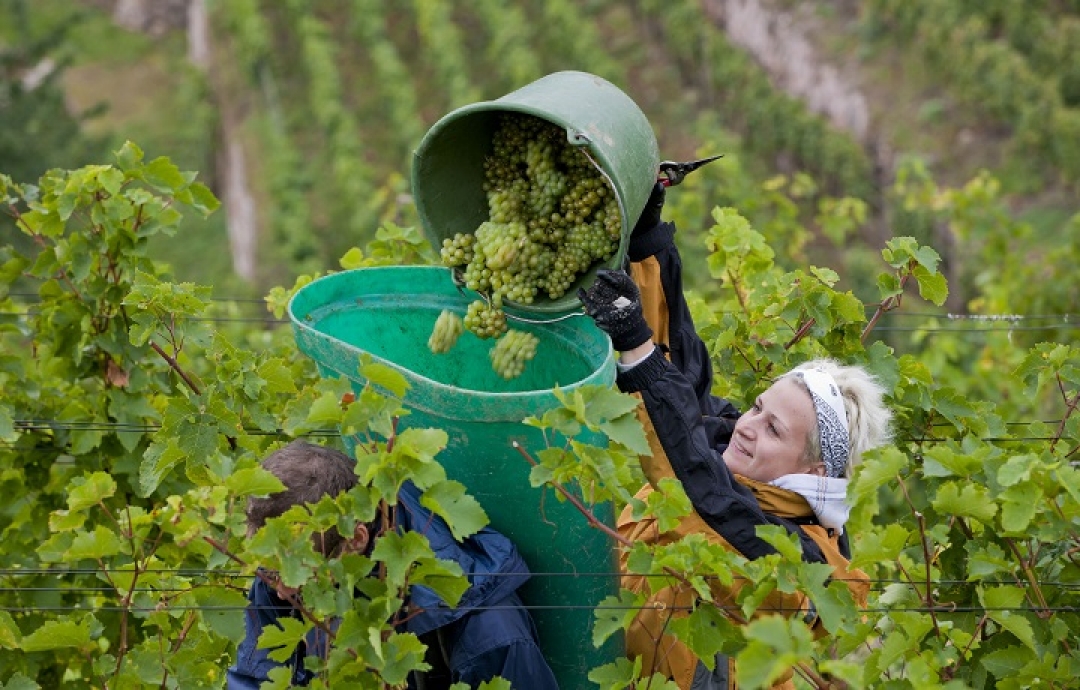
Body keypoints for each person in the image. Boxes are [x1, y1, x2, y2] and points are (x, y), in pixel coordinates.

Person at [578, 182, 894, 689]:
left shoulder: (804, 567)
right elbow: (680, 382)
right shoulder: (729, 452)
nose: (747, 425)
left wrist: (635, 350)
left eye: (774, 428)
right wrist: (647, 243)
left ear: (813, 471)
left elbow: (707, 505)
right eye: (757, 407)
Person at [226, 440, 558, 690]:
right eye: (269, 569)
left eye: (298, 572)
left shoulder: (489, 638)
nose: (281, 591)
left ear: (356, 539)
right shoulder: (288, 567)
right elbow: (254, 680)